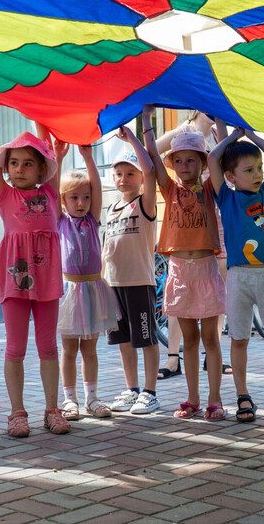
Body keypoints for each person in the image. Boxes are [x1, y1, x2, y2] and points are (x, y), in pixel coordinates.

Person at [0, 106, 70, 436]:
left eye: (28, 163)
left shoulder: (50, 192)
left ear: (41, 169)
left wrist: (38, 107)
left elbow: (47, 143)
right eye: (14, 163)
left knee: (48, 346)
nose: (19, 169)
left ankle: (52, 408)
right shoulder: (3, 194)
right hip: (14, 278)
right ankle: (17, 412)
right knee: (15, 348)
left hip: (47, 278)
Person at [208, 127, 264, 422]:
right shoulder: (226, 198)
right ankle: (242, 395)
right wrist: (233, 138)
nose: (258, 173)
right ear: (231, 177)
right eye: (249, 170)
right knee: (238, 338)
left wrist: (252, 135)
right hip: (239, 277)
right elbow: (212, 158)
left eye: (258, 168)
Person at [142, 106, 226, 420]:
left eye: (192, 159)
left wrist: (220, 118)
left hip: (204, 269)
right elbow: (151, 158)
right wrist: (148, 123)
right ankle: (192, 398)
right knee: (188, 339)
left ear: (203, 162)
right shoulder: (169, 188)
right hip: (179, 271)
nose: (185, 164)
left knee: (210, 339)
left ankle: (214, 399)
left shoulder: (209, 188)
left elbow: (220, 156)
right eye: (179, 160)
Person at [57, 145, 120, 421]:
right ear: (63, 200)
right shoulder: (60, 221)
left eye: (85, 197)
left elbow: (97, 187)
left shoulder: (93, 220)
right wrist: (58, 158)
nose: (81, 203)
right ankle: (69, 399)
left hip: (93, 289)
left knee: (90, 348)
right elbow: (50, 188)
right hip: (69, 291)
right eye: (74, 198)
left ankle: (92, 397)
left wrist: (88, 158)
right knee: (69, 349)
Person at [103, 128, 161, 414]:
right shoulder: (111, 208)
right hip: (114, 284)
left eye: (130, 173)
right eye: (118, 174)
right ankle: (132, 388)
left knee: (146, 337)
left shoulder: (145, 203)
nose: (123, 179)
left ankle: (150, 392)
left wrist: (133, 140)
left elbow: (151, 170)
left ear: (139, 178)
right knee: (123, 340)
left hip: (139, 283)